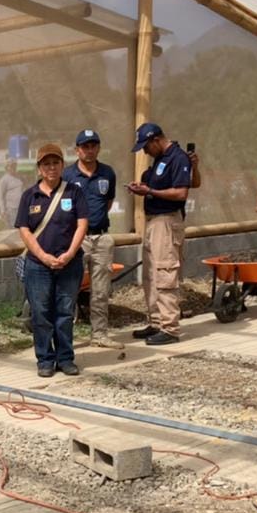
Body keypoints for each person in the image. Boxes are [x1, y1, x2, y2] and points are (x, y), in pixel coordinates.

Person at [18, 143, 88, 377]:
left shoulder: (74, 192)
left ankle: (65, 358)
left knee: (65, 313)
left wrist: (70, 253)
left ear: (62, 165)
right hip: (38, 265)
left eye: (55, 163)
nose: (51, 167)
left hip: (69, 264)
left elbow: (82, 224)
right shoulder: (30, 196)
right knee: (41, 313)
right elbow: (25, 230)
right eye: (46, 164)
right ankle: (45, 359)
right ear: (39, 168)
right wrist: (44, 256)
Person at [127, 122, 192, 346]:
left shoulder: (178, 158)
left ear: (156, 140)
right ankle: (156, 322)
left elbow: (181, 193)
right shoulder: (159, 159)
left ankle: (170, 327)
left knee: (165, 273)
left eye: (146, 146)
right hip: (153, 221)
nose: (145, 151)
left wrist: (150, 191)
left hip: (167, 221)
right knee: (151, 275)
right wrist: (143, 188)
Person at [61, 128, 119, 349]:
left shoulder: (107, 173)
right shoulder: (67, 175)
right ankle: (64, 337)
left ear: (98, 148)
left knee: (101, 290)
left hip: (101, 237)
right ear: (77, 150)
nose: (89, 150)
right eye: (85, 146)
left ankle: (100, 335)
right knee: (69, 288)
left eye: (93, 146)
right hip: (77, 240)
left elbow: (107, 203)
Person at [0, 158, 24, 223]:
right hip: (11, 210)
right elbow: (0, 197)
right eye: (10, 166)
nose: (12, 168)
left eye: (14, 165)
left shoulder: (20, 177)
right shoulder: (3, 180)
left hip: (22, 208)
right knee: (14, 228)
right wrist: (2, 211)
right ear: (6, 167)